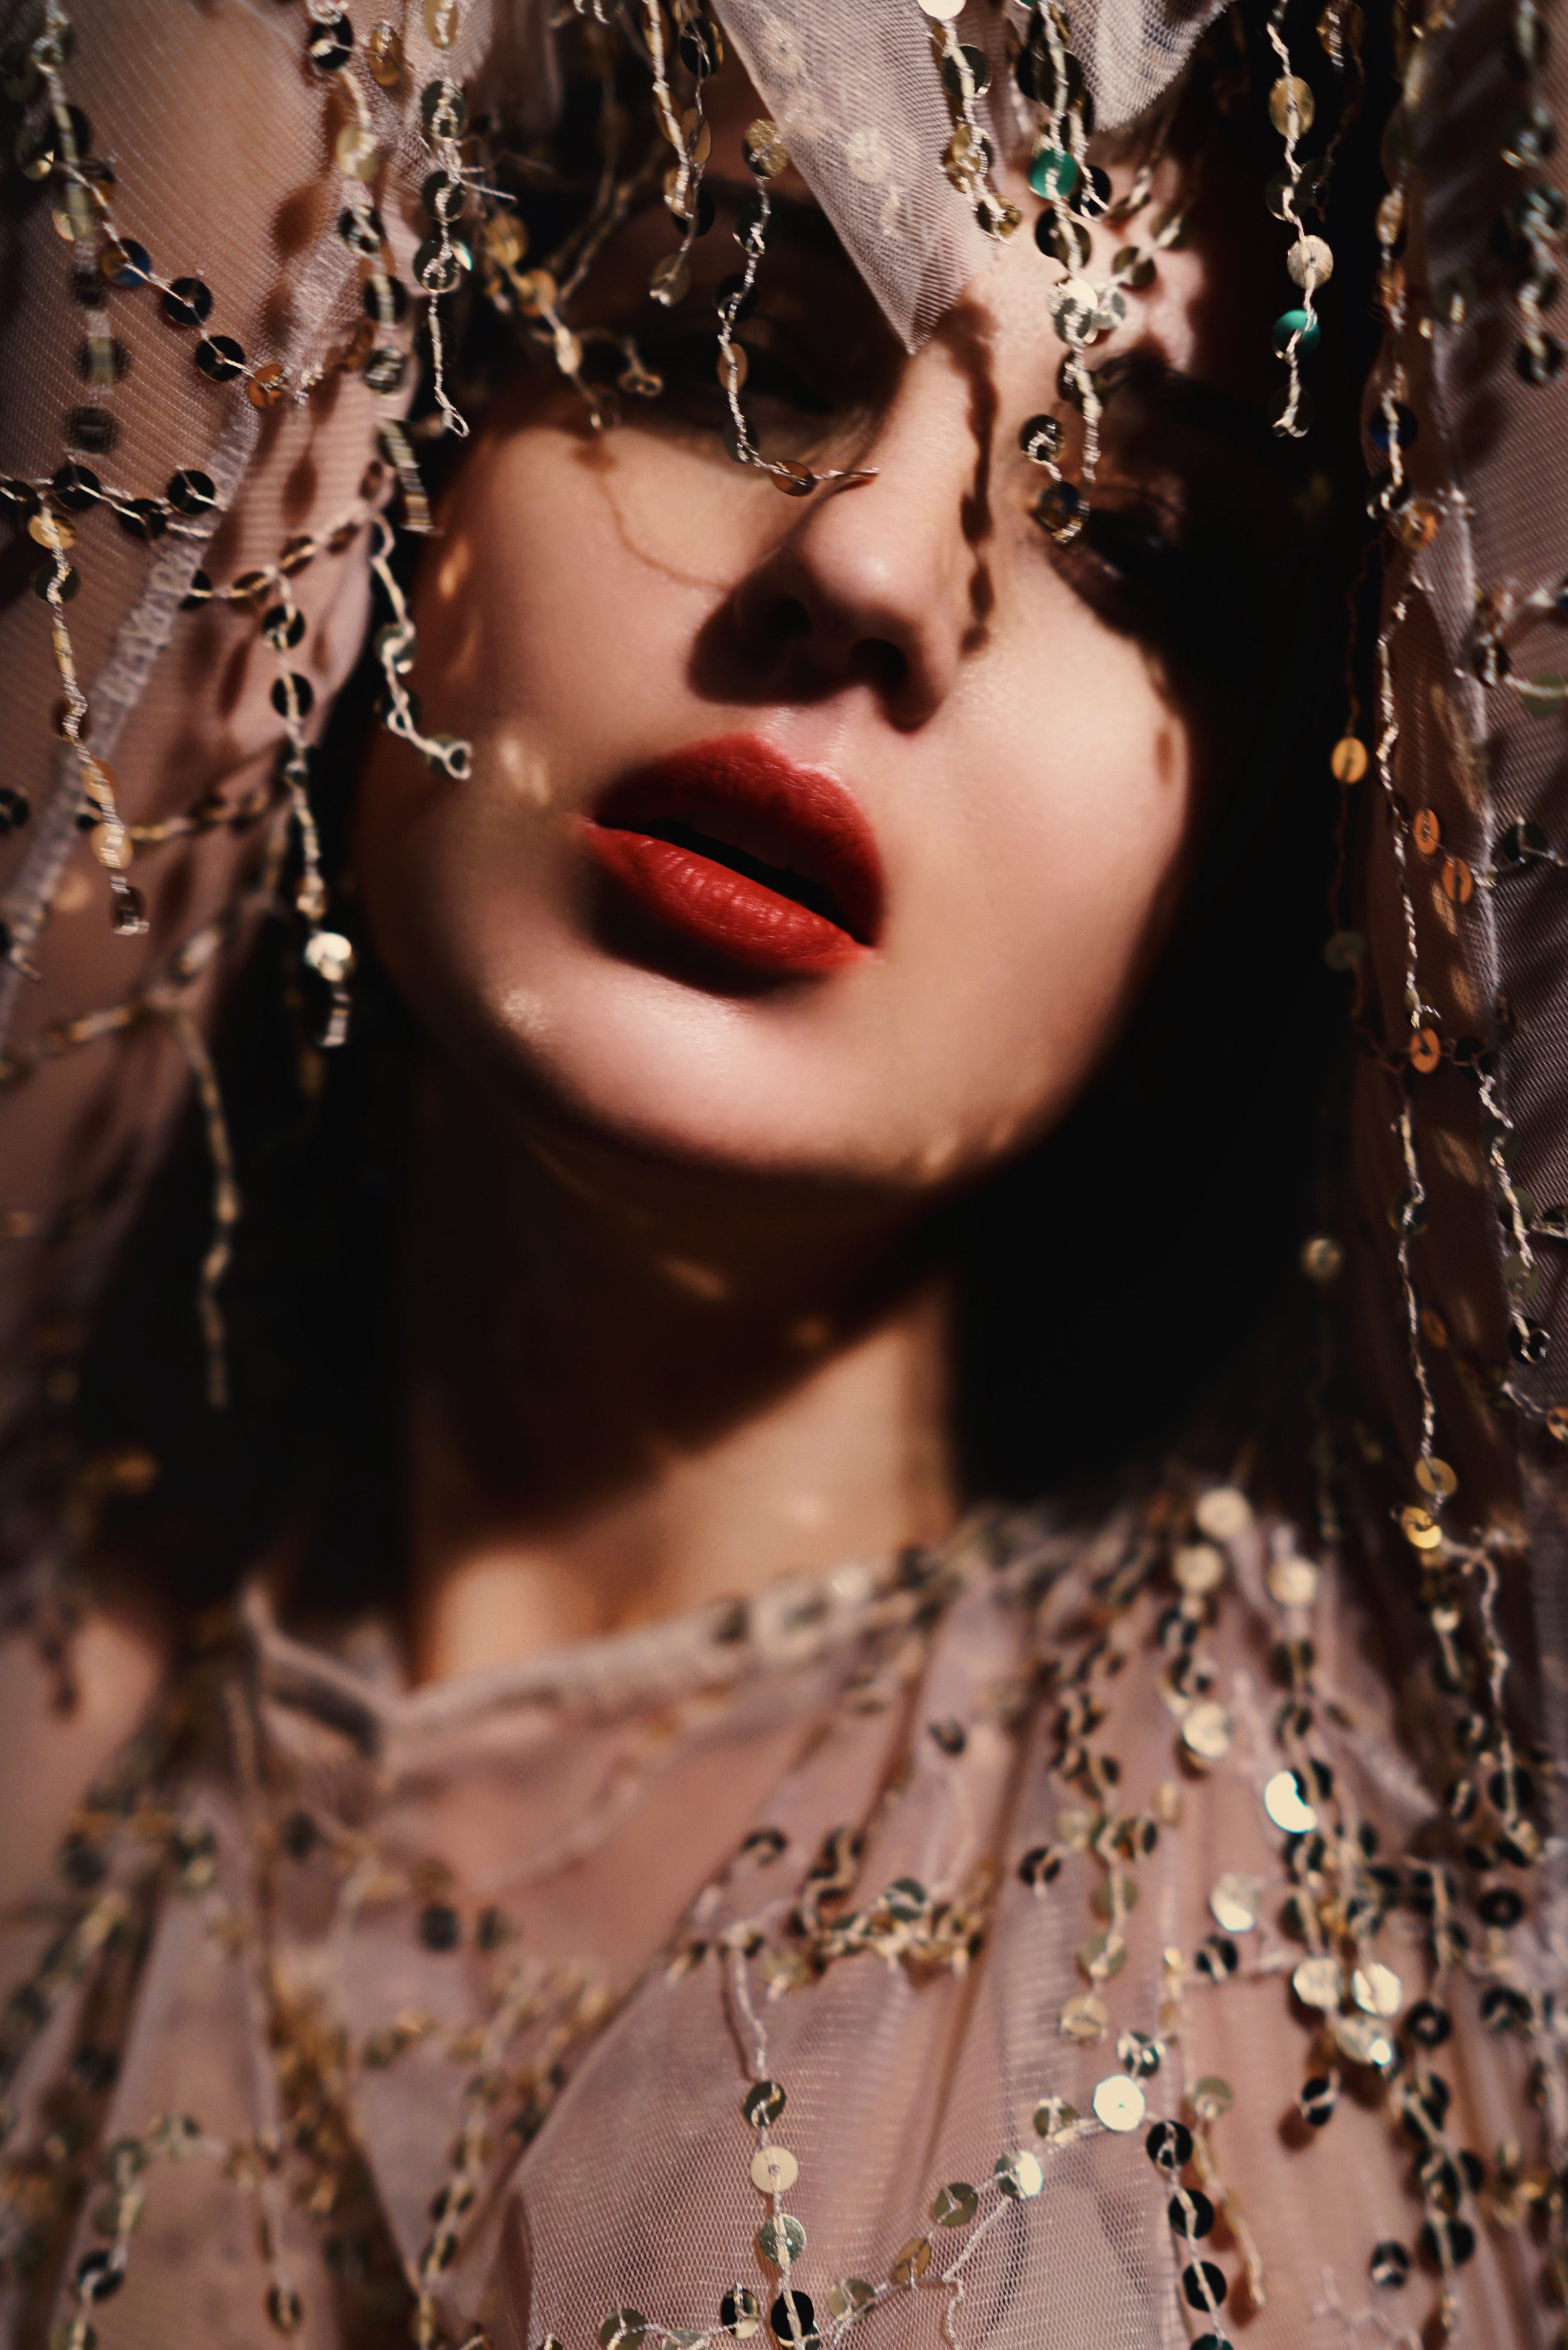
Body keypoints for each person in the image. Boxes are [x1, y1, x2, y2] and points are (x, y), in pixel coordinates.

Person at [0, 1, 1562, 2346]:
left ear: (1310, 824)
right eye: (724, 350)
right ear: (391, 435)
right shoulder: (51, 1676)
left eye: (1131, 541)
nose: (872, 563)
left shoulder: (1411, 1759)